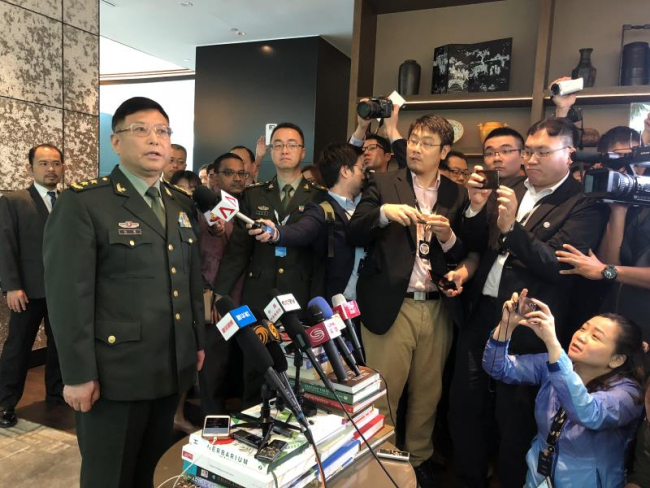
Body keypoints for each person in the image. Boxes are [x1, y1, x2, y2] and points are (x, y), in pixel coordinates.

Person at [43, 97, 205, 488]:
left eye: (163, 131)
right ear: (116, 142)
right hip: (114, 375)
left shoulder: (179, 204)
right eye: (141, 129)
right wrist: (78, 374)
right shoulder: (85, 202)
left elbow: (189, 280)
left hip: (168, 367)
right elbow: (68, 296)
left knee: (152, 470)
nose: (155, 140)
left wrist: (195, 343)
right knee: (109, 475)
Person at [451, 117, 608, 488]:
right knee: (467, 404)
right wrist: (475, 208)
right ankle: (469, 477)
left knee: (516, 417)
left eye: (542, 151)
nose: (531, 159)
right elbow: (477, 243)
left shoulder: (583, 203)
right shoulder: (511, 186)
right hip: (483, 313)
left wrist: (512, 230)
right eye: (529, 151)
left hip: (529, 326)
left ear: (569, 154)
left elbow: (557, 265)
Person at [348, 114, 485, 487]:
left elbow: (470, 251)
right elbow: (353, 230)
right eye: (413, 140)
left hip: (438, 304)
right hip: (392, 303)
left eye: (426, 142)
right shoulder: (383, 182)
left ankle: (419, 458)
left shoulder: (456, 195)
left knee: (428, 391)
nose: (415, 148)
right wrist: (382, 214)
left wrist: (447, 237)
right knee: (383, 390)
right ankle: (381, 459)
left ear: (444, 151)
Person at [484, 290, 645, 487]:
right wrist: (507, 325)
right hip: (538, 476)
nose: (581, 337)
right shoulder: (556, 364)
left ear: (617, 359)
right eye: (583, 328)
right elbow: (497, 367)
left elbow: (587, 412)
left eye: (596, 337)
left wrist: (552, 344)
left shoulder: (629, 394)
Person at [214, 122, 327, 311]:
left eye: (292, 145)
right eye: (278, 145)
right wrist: (220, 292)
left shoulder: (318, 196)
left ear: (303, 152)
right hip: (259, 293)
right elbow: (238, 251)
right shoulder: (254, 194)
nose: (284, 150)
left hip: (300, 293)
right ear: (271, 151)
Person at [556, 125, 650, 341]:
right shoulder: (604, 203)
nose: (629, 167)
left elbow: (606, 270)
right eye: (619, 160)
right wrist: (618, 209)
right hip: (615, 321)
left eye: (634, 158)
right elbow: (609, 263)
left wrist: (606, 271)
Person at [0, 144, 65, 428]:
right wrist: (12, 286)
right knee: (18, 347)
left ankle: (57, 393)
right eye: (43, 163)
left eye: (56, 163)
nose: (51, 169)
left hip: (62, 290)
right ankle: (5, 402)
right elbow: (5, 246)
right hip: (26, 290)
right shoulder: (14, 201)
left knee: (60, 346)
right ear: (31, 167)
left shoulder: (68, 201)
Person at [249, 142, 366, 300]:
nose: (364, 174)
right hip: (338, 306)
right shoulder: (323, 210)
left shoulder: (365, 204)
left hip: (367, 306)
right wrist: (275, 232)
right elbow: (302, 230)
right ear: (345, 171)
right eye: (361, 168)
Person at [199, 153, 248, 416]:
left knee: (238, 367)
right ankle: (212, 424)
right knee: (213, 370)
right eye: (230, 173)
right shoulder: (202, 209)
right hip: (215, 304)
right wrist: (211, 297)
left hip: (245, 300)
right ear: (214, 177)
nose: (237, 178)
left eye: (242, 173)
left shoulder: (247, 207)